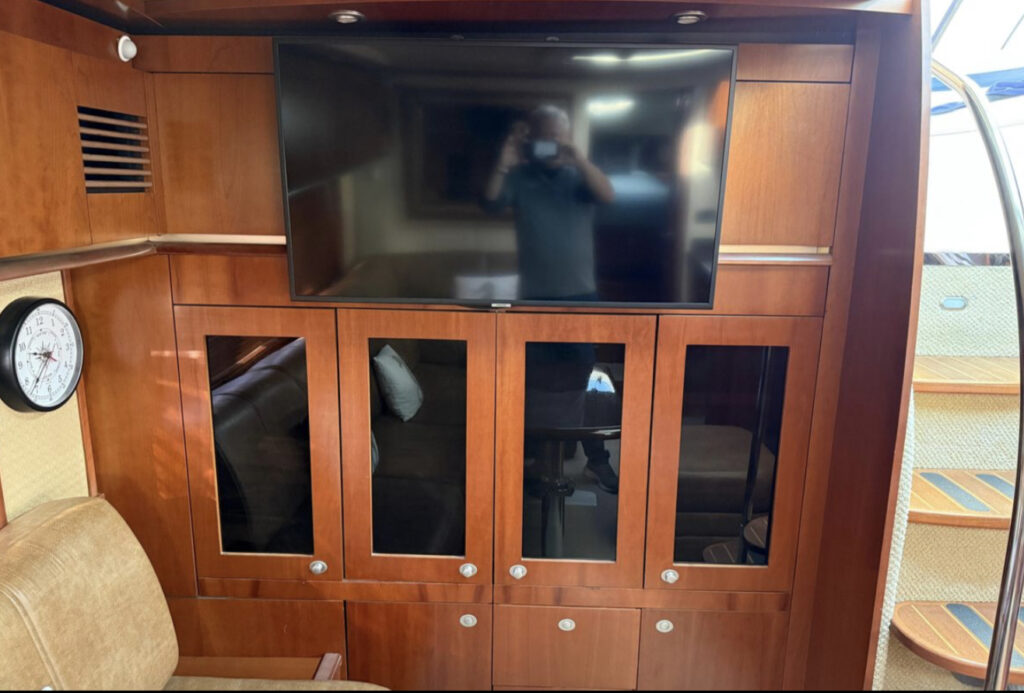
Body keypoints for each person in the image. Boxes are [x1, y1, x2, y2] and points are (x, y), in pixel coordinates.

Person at [483, 105, 620, 495]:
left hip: (580, 298)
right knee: (531, 384)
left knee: (583, 382)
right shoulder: (519, 177)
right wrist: (504, 161)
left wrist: (577, 156)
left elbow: (608, 195)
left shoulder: (579, 176)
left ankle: (597, 460)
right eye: (543, 135)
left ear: (566, 135)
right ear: (531, 138)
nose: (550, 142)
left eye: (556, 134)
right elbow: (491, 202)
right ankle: (535, 464)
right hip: (532, 299)